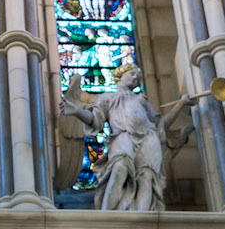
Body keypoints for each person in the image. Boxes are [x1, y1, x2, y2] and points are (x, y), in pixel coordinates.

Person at [62, 63, 192, 212]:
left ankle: (143, 219)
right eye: (132, 74)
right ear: (119, 75)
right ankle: (107, 216)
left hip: (148, 138)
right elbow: (94, 119)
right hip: (123, 136)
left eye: (138, 77)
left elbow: (161, 124)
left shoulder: (141, 100)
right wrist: (76, 111)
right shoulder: (108, 98)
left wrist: (181, 103)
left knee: (146, 177)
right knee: (120, 167)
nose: (135, 78)